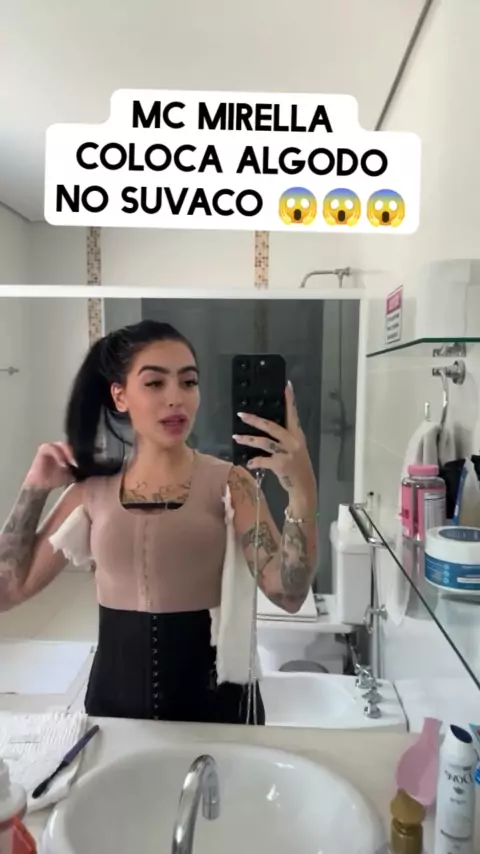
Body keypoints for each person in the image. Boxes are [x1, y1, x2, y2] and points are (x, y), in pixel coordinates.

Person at [0, 320, 318, 725]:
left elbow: (289, 595)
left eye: (188, 382)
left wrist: (302, 490)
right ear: (120, 395)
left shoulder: (231, 484)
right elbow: (7, 591)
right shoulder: (91, 492)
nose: (175, 399)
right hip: (114, 712)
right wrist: (34, 488)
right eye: (154, 383)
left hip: (216, 712)